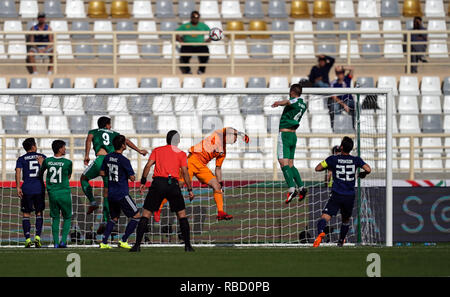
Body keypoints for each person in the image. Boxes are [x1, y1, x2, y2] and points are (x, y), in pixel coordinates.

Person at [155, 127, 249, 221]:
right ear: (230, 135)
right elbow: (229, 129)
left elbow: (218, 168)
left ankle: (220, 212)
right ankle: (158, 208)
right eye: (235, 137)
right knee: (178, 185)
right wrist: (242, 134)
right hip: (192, 160)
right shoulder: (218, 135)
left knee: (216, 186)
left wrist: (220, 184)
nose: (235, 140)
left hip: (202, 166)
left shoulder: (223, 151)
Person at [81, 116, 148, 234]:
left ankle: (92, 202)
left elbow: (88, 139)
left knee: (83, 178)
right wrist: (139, 150)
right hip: (111, 161)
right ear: (107, 125)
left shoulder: (93, 132)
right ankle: (107, 221)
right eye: (110, 124)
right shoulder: (114, 133)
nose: (110, 126)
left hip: (100, 160)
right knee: (107, 191)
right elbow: (126, 140)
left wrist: (86, 155)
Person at [131, 131, 195, 252]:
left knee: (146, 214)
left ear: (167, 139)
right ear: (178, 141)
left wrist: (143, 182)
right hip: (173, 184)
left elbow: (148, 165)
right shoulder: (181, 154)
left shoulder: (157, 150)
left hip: (158, 183)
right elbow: (185, 172)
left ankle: (137, 245)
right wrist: (190, 189)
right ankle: (188, 246)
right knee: (181, 215)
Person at [313, 136, 371, 247]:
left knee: (325, 217)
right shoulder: (356, 160)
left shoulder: (333, 159)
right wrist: (363, 174)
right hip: (349, 195)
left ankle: (320, 232)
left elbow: (317, 168)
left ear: (341, 147)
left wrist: (330, 165)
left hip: (337, 194)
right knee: (345, 220)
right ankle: (341, 241)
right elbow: (368, 169)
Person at [99, 135, 141, 249]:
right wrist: (128, 175)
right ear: (123, 145)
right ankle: (123, 240)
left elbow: (102, 173)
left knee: (114, 218)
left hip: (111, 193)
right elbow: (132, 178)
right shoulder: (124, 160)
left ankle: (104, 242)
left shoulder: (107, 157)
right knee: (137, 216)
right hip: (122, 193)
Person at [271, 83, 308, 203]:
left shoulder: (294, 101)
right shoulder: (304, 104)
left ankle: (292, 189)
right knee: (291, 164)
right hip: (293, 135)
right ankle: (301, 187)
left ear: (292, 92)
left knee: (283, 162)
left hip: (285, 135)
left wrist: (278, 102)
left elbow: (288, 102)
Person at [39, 140, 73, 248]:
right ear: (59, 149)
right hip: (64, 192)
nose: (65, 149)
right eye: (64, 147)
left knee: (55, 218)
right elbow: (68, 176)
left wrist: (41, 164)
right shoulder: (68, 162)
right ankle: (63, 241)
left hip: (52, 193)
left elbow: (40, 173)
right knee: (67, 217)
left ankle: (56, 243)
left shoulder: (47, 161)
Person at [15, 138, 46, 248]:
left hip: (27, 188)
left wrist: (18, 187)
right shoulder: (41, 157)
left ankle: (28, 239)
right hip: (39, 188)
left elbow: (18, 172)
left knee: (26, 214)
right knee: (39, 213)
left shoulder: (21, 159)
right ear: (33, 146)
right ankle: (37, 237)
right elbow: (47, 168)